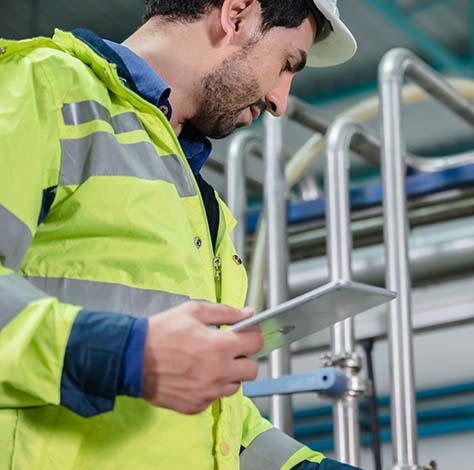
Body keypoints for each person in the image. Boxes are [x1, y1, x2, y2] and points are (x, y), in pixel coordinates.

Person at [0, 0, 361, 469]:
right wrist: (121, 352)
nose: (279, 101)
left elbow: (214, 424)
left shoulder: (202, 207)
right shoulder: (43, 88)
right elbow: (136, 357)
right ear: (236, 15)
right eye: (287, 64)